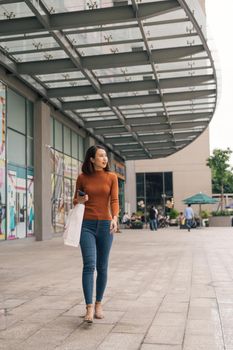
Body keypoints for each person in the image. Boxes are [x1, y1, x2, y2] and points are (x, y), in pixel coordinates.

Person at [73, 145, 119, 323]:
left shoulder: (112, 177)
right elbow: (74, 201)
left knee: (102, 266)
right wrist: (80, 199)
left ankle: (99, 303)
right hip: (86, 225)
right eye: (101, 156)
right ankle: (89, 308)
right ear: (92, 159)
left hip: (106, 225)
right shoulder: (82, 178)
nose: (105, 158)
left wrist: (115, 218)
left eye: (105, 156)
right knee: (89, 265)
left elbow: (114, 199)